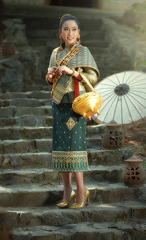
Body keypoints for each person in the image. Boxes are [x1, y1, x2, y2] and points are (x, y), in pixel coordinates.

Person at [46, 14, 99, 209]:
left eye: (74, 29)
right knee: (61, 148)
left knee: (75, 147)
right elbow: (49, 79)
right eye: (66, 29)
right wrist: (51, 75)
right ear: (60, 33)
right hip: (59, 105)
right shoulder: (55, 53)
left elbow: (92, 77)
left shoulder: (83, 52)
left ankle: (82, 191)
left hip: (77, 104)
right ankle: (67, 191)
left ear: (79, 33)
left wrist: (72, 72)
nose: (70, 33)